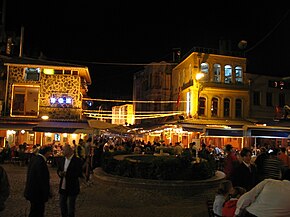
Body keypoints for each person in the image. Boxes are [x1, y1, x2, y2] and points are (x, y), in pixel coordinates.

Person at [24, 145, 53, 217]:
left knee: (34, 211)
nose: (50, 154)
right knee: (38, 212)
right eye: (50, 152)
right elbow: (42, 180)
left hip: (32, 191)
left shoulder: (34, 159)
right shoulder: (41, 162)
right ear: (47, 152)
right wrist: (47, 192)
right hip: (37, 193)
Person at [57, 144, 84, 217]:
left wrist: (67, 174)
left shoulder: (77, 161)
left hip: (72, 186)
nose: (62, 152)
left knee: (71, 206)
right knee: (62, 204)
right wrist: (60, 173)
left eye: (64, 150)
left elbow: (78, 173)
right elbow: (59, 169)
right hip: (63, 185)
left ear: (69, 151)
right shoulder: (62, 159)